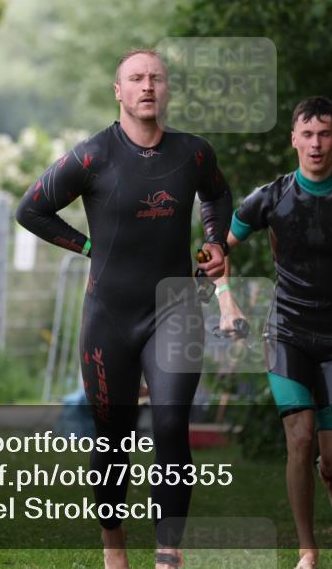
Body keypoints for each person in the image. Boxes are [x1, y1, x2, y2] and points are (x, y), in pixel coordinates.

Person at [15, 48, 232, 569]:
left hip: (174, 307)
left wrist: (215, 241)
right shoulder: (93, 156)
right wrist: (87, 248)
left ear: (166, 89)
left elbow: (218, 197)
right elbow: (31, 210)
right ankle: (115, 554)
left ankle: (167, 556)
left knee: (171, 425)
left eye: (156, 78)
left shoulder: (193, 154)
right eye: (136, 78)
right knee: (113, 437)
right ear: (119, 91)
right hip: (109, 314)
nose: (147, 86)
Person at [214, 96, 332, 569]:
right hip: (285, 334)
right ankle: (307, 548)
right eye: (307, 134)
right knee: (299, 439)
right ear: (294, 140)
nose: (316, 144)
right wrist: (225, 296)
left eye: (325, 134)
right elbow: (212, 248)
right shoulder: (271, 196)